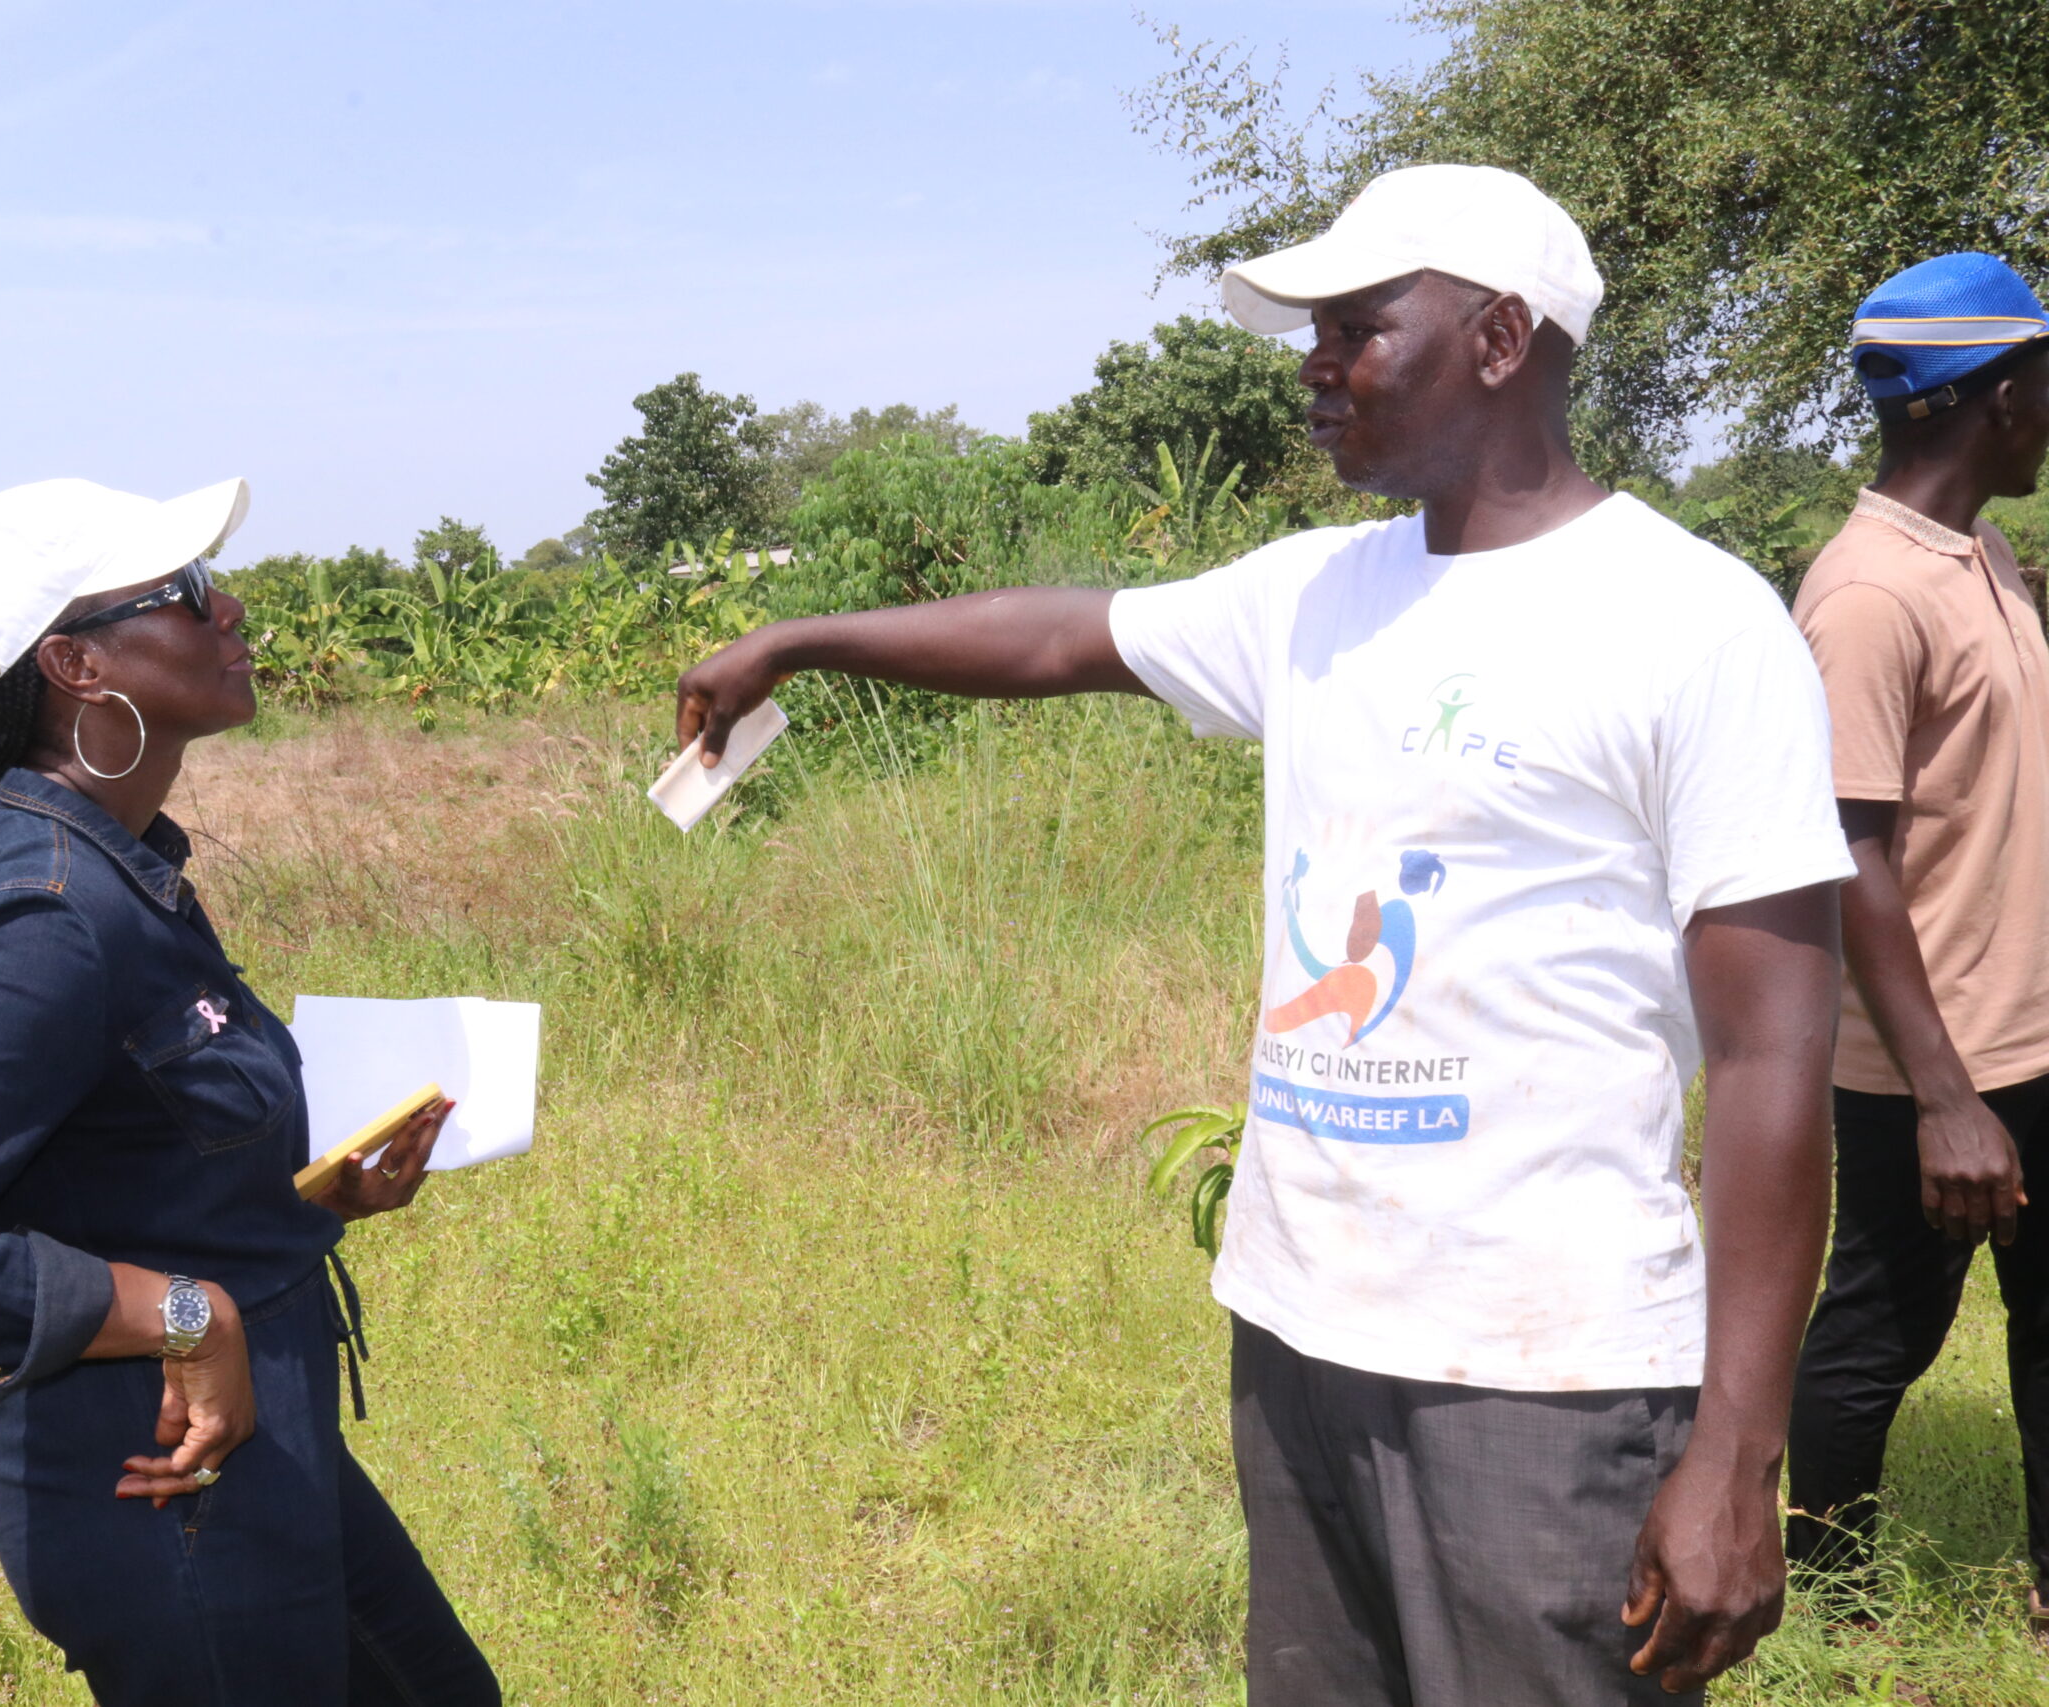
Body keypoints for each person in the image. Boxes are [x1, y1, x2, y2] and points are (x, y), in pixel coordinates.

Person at [673, 165, 1854, 1704]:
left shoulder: (1693, 624)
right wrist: (800, 640)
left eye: (1357, 328)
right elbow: (1062, 632)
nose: (1313, 367)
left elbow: (1775, 1052)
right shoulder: (1317, 594)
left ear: (1501, 338)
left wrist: (1735, 1452)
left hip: (1545, 1372)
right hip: (1302, 1326)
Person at [0, 477, 501, 1707]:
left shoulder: (129, 864)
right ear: (74, 664)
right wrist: (186, 1314)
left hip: (261, 1445)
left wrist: (318, 1186)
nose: (232, 611)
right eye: (187, 593)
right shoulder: (47, 914)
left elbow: (128, 1151)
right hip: (163, 1497)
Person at [1785, 254, 2049, 1631]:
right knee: (1877, 1334)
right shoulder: (1868, 594)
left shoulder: (1977, 554)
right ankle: (1830, 1605)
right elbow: (1846, 853)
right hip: (1931, 1063)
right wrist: (1949, 1097)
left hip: (2034, 1031)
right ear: (1997, 396)